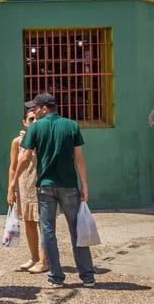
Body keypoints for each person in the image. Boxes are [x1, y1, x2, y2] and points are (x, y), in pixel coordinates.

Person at [10, 93, 94, 289]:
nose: (34, 111)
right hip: (69, 185)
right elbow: (79, 158)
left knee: (48, 232)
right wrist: (84, 185)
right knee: (77, 230)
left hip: (45, 187)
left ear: (44, 108)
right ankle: (87, 276)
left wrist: (13, 182)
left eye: (35, 108)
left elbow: (24, 157)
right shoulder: (71, 126)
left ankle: (56, 277)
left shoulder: (36, 127)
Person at [6, 107, 46, 273]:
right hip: (24, 186)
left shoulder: (44, 138)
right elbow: (13, 167)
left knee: (44, 223)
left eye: (37, 119)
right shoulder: (17, 141)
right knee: (28, 222)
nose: (34, 122)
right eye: (31, 119)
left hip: (41, 185)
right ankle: (34, 257)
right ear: (24, 122)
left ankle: (44, 260)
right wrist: (11, 189)